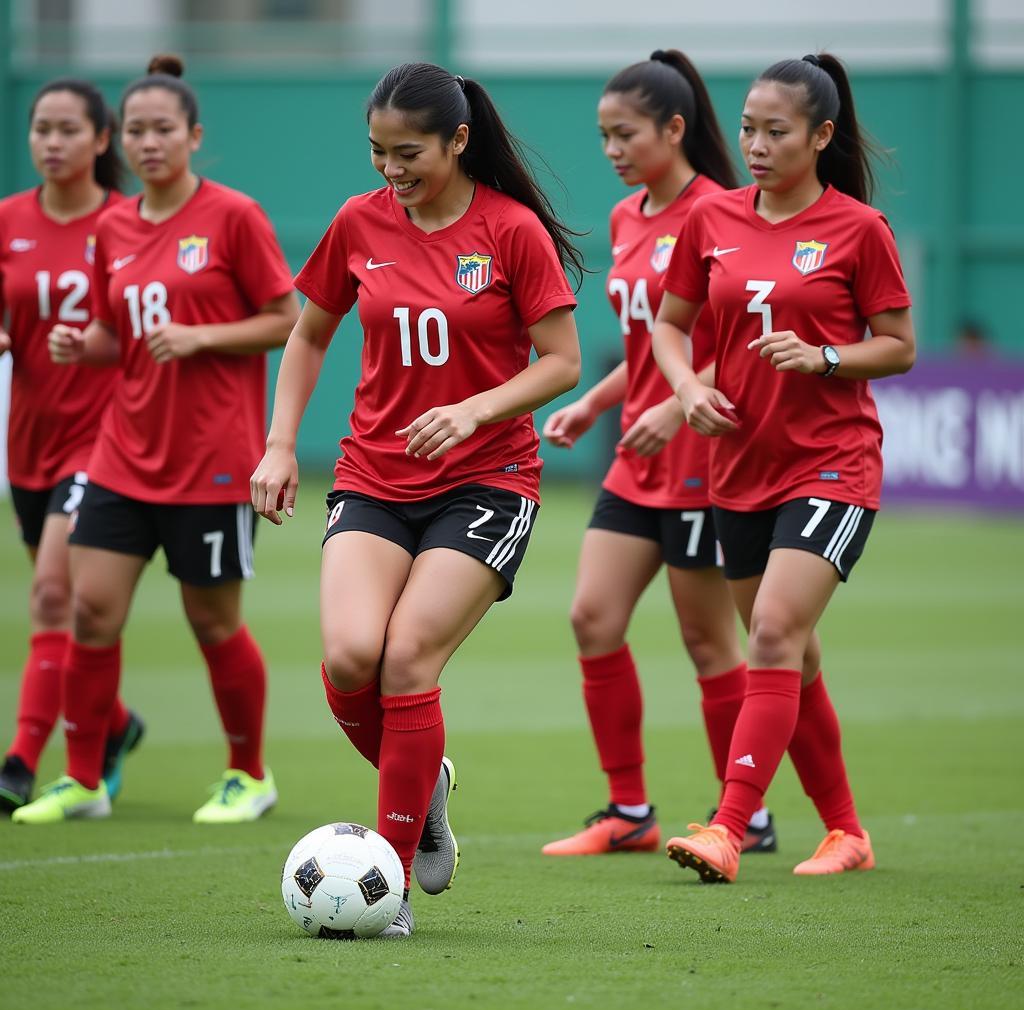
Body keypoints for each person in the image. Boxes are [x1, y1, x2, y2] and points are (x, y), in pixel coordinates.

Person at [250, 62, 582, 936]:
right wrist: (282, 443)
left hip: (488, 479)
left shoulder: (510, 232)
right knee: (352, 658)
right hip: (372, 474)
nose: (390, 170)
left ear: (459, 141)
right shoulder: (358, 223)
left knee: (408, 663)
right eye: (376, 152)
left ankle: (389, 885)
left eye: (409, 154)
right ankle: (426, 779)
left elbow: (562, 361)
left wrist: (474, 408)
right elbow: (309, 330)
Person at [13, 55, 299, 825]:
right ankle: (84, 781)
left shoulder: (233, 216)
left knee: (212, 621)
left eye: (162, 130)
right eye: (135, 130)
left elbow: (287, 319)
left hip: (210, 462)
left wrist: (203, 337)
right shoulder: (113, 225)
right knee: (89, 613)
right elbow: (119, 333)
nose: (147, 143)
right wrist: (87, 344)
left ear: (194, 136)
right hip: (121, 456)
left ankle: (249, 773)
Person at [652, 53, 915, 882]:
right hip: (738, 468)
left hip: (833, 466)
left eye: (777, 131)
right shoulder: (712, 220)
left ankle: (729, 828)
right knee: (791, 656)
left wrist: (825, 355)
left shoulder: (859, 231)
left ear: (821, 134)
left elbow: (899, 347)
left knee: (769, 632)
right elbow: (670, 324)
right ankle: (847, 832)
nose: (755, 146)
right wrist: (688, 386)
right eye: (747, 129)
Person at [540, 50, 777, 857]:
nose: (611, 148)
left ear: (673, 129)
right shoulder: (625, 216)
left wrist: (681, 406)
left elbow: (742, 344)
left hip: (704, 457)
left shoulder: (726, 211)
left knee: (708, 640)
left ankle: (746, 812)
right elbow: (650, 346)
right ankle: (630, 811)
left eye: (625, 133)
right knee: (592, 617)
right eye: (603, 134)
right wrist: (591, 401)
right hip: (637, 455)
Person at [0, 78, 144, 814]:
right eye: (39, 129)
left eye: (66, 129)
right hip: (30, 442)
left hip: (105, 441)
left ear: (99, 141)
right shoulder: (7, 221)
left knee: (54, 595)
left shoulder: (125, 223)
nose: (50, 142)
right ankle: (115, 722)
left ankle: (20, 760)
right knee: (69, 615)